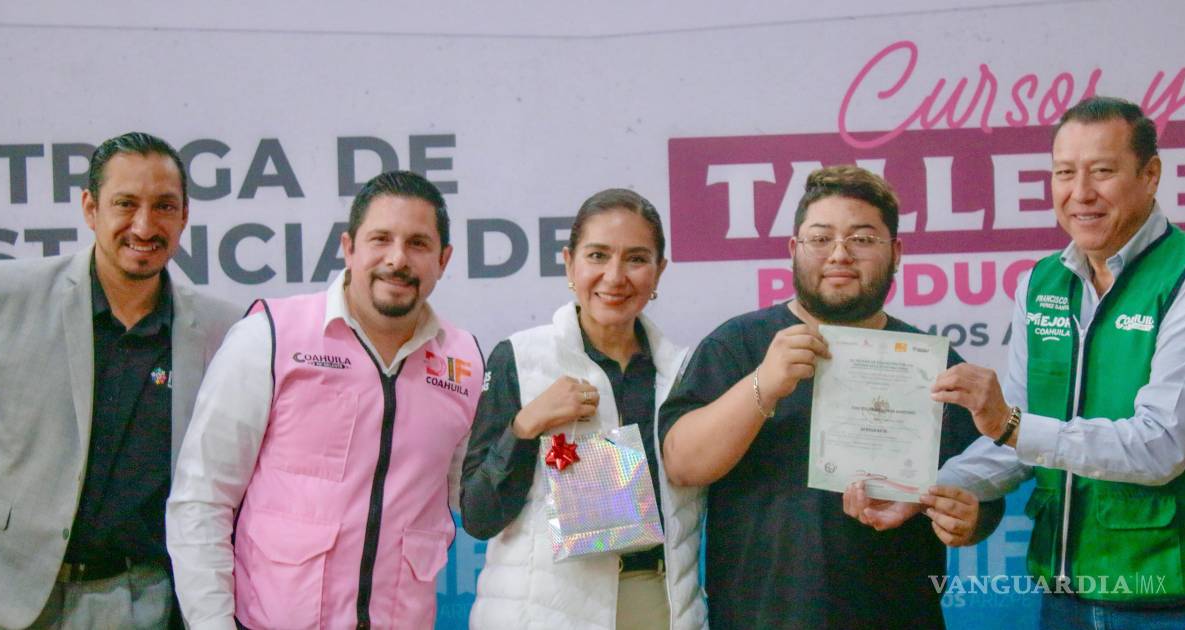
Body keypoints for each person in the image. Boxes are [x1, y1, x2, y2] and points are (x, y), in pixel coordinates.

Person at [658, 165, 1002, 629]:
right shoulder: (738, 345)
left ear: (896, 252)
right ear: (793, 250)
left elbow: (983, 482)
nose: (840, 254)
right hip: (761, 618)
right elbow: (682, 464)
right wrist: (764, 384)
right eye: (820, 238)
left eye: (862, 239)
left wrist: (971, 518)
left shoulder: (930, 362)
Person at [166, 171, 482, 630]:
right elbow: (202, 498)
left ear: (443, 259)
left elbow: (478, 499)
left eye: (418, 244)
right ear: (349, 247)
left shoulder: (463, 363)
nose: (397, 259)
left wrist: (546, 447)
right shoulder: (272, 337)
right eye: (380, 239)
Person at [929, 97, 1185, 627]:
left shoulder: (1184, 276)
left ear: (1150, 175)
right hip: (1061, 596)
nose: (1081, 193)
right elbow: (1017, 439)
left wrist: (1011, 426)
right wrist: (928, 490)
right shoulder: (1041, 282)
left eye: (1103, 171)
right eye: (1065, 173)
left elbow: (1162, 445)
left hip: (1166, 597)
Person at [0, 132, 236, 629]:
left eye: (164, 206)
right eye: (125, 204)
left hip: (143, 602)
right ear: (90, 208)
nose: (144, 226)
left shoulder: (223, 332)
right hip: (10, 595)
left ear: (184, 216)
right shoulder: (6, 299)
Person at [461, 189, 706, 630]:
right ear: (569, 263)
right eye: (597, 255)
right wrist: (525, 426)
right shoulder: (522, 357)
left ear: (659, 271)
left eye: (636, 259)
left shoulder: (684, 373)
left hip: (660, 606)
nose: (615, 276)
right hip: (542, 615)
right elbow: (479, 517)